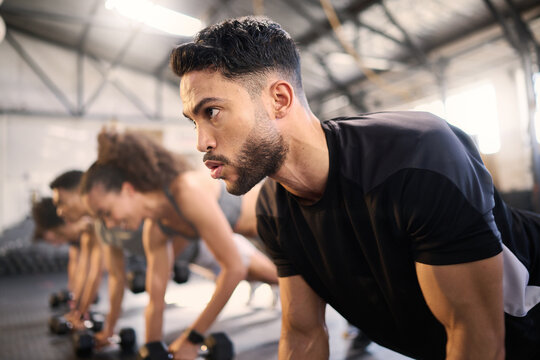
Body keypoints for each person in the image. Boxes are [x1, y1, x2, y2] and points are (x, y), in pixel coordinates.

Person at [169, 16, 540, 360]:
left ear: (278, 99)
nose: (201, 142)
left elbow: (477, 337)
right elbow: (302, 335)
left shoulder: (416, 157)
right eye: (193, 121)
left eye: (212, 112)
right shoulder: (274, 209)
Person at [80, 129, 278, 359]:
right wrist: (153, 347)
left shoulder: (185, 191)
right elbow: (156, 299)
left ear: (127, 190)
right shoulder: (156, 229)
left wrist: (192, 338)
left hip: (279, 217)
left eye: (106, 213)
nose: (110, 224)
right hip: (257, 237)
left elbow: (234, 268)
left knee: (294, 293)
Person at [49, 171, 106, 328]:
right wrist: (78, 312)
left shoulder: (102, 221)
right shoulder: (90, 227)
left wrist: (81, 314)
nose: (60, 211)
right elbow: (84, 270)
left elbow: (99, 274)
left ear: (80, 192)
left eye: (62, 202)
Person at [32, 197, 94, 305]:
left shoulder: (87, 225)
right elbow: (74, 263)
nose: (55, 245)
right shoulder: (73, 238)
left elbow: (88, 269)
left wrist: (79, 306)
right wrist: (72, 292)